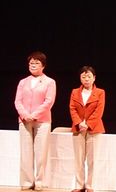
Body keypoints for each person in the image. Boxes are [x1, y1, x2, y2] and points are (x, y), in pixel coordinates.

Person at [14, 51, 57, 191]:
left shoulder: (50, 82)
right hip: (24, 120)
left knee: (41, 152)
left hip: (42, 121)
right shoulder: (23, 82)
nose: (33, 65)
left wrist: (34, 115)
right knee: (26, 152)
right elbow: (17, 101)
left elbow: (49, 101)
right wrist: (25, 115)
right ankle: (27, 181)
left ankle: (39, 181)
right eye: (31, 63)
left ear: (43, 66)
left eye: (36, 63)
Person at [69, 65, 105, 192]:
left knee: (92, 159)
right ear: (80, 78)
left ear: (94, 78)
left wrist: (88, 124)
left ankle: (90, 185)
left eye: (89, 76)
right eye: (83, 77)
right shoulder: (75, 92)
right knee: (79, 158)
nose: (86, 79)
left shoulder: (100, 92)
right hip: (78, 128)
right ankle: (79, 185)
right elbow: (72, 108)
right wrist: (79, 123)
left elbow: (99, 111)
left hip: (94, 129)